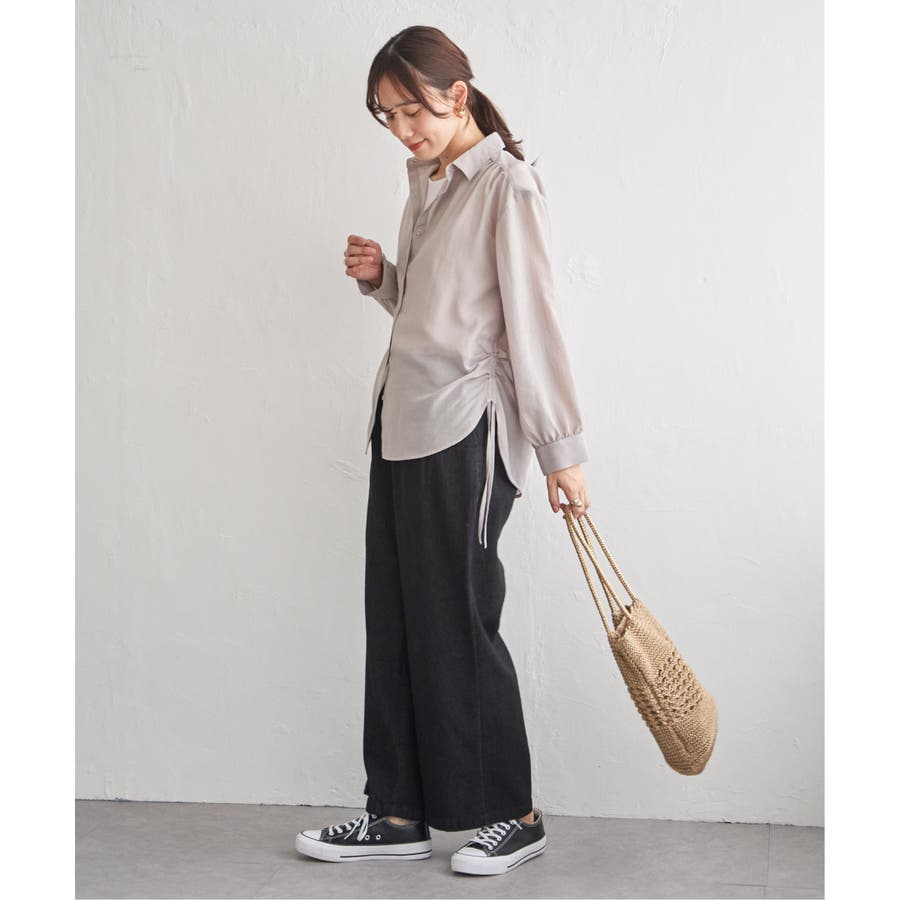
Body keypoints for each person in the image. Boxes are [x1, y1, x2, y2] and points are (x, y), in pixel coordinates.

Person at [295, 26, 590, 877]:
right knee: (395, 617)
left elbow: (531, 323)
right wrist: (383, 280)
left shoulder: (506, 186)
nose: (401, 130)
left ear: (457, 95)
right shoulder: (428, 185)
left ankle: (515, 813)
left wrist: (562, 450)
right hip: (402, 420)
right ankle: (397, 811)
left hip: (467, 427)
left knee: (459, 618)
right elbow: (441, 314)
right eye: (386, 116)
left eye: (411, 111)